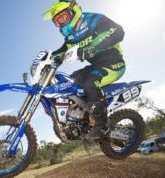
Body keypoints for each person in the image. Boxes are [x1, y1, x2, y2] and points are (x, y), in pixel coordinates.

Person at [42, 0, 126, 141]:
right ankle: (82, 120)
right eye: (57, 21)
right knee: (70, 82)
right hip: (95, 67)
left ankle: (102, 125)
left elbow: (118, 32)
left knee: (89, 84)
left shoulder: (94, 19)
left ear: (73, 11)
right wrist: (47, 59)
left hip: (114, 63)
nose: (61, 23)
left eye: (62, 17)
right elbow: (61, 52)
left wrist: (89, 48)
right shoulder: (71, 37)